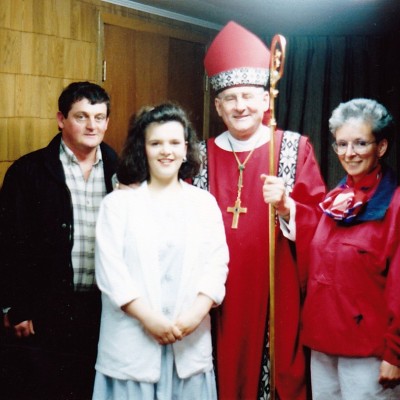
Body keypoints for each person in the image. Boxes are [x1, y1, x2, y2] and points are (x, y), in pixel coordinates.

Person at [193, 21, 326, 400]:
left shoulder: (292, 148)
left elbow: (322, 225)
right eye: (230, 98)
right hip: (217, 296)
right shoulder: (199, 156)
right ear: (217, 105)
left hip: (276, 291)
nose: (241, 106)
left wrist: (288, 208)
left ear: (267, 99)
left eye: (249, 96)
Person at [92, 103, 229, 400]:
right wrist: (149, 319)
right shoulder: (117, 206)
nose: (166, 151)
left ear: (185, 149)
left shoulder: (203, 204)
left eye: (174, 143)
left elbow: (217, 265)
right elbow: (111, 273)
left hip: (188, 341)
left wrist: (195, 314)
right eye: (156, 143)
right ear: (143, 148)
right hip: (132, 345)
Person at [0, 81, 118, 400]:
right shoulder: (29, 172)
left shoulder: (122, 172)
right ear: (61, 119)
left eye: (99, 117)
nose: (91, 125)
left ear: (107, 122)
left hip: (102, 312)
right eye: (81, 116)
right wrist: (16, 308)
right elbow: (8, 243)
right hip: (44, 312)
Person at [297, 98, 400, 399]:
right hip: (323, 346)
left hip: (368, 352)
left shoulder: (395, 204)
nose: (349, 153)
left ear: (380, 147)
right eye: (341, 144)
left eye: (359, 143)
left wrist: (395, 353)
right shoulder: (335, 198)